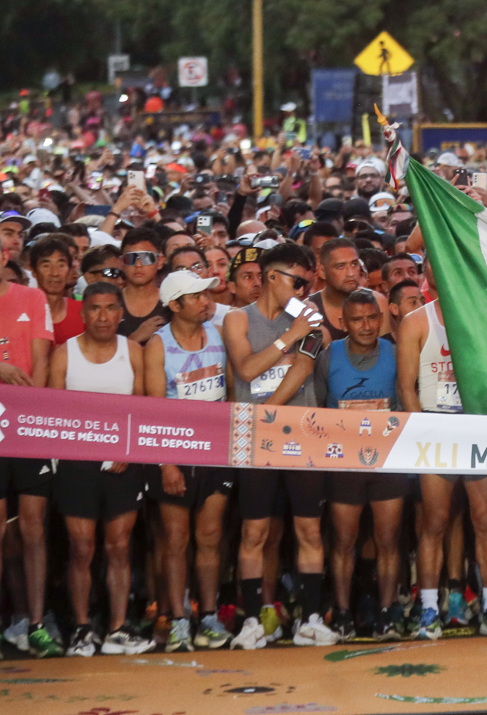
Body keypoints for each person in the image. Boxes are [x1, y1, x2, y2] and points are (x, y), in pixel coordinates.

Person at [222, 243, 339, 649]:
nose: (305, 290)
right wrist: (291, 335)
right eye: (298, 281)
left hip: (301, 435)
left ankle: (310, 620)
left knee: (309, 530)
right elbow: (246, 368)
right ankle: (252, 622)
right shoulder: (237, 318)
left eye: (308, 283)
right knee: (254, 531)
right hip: (255, 441)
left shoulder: (310, 319)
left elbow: (303, 368)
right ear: (271, 277)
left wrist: (266, 412)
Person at [397, 260, 487, 639]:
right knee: (434, 522)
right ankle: (429, 609)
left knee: (484, 519)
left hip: (478, 428)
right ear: (426, 273)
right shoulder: (416, 322)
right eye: (434, 262)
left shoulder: (486, 317)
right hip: (436, 427)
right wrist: (422, 432)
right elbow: (406, 387)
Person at [49, 282, 152, 655]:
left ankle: (118, 628)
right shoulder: (64, 354)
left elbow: (143, 408)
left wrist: (129, 448)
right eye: (95, 308)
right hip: (76, 463)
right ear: (83, 313)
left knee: (119, 547)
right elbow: (52, 413)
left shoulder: (134, 352)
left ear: (121, 314)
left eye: (110, 308)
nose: (103, 316)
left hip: (124, 462)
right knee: (81, 548)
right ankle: (81, 628)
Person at [0, 228, 58, 662]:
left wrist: (33, 417)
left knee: (33, 528)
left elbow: (42, 361)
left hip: (28, 429)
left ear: (5, 255)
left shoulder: (33, 298)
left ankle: (38, 624)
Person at [308, 289, 408, 640]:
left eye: (371, 318)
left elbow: (406, 402)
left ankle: (387, 612)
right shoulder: (328, 356)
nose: (366, 326)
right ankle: (342, 612)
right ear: (343, 322)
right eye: (357, 320)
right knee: (344, 541)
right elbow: (317, 409)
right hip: (343, 463)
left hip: (388, 461)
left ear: (381, 319)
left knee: (388, 539)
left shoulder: (396, 353)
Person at [143, 269, 235, 653]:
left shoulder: (220, 335)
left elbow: (231, 392)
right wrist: (166, 463)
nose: (205, 301)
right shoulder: (158, 346)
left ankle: (209, 617)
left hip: (216, 452)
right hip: (176, 452)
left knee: (210, 537)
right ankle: (180, 620)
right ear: (175, 305)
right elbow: (153, 409)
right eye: (196, 296)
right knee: (176, 541)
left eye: (205, 295)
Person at [118, 227, 168, 343]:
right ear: (121, 262)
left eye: (146, 258)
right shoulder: (110, 302)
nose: (138, 264)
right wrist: (136, 337)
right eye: (131, 258)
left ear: (160, 261)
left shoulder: (172, 303)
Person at [30, 236, 83, 343]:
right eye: (46, 265)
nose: (55, 273)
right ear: (34, 271)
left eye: (61, 265)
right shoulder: (21, 314)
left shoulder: (83, 312)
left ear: (69, 270)